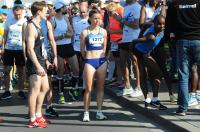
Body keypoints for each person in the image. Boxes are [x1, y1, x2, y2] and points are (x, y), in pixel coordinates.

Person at [169, 0, 200, 116]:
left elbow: (169, 25)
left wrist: (169, 40)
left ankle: (182, 108)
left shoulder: (174, 3)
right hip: (198, 39)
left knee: (183, 75)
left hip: (182, 41)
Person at [132, 15, 167, 110]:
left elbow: (144, 24)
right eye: (159, 24)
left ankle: (151, 100)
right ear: (155, 24)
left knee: (155, 74)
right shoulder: (151, 36)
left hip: (145, 53)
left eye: (163, 23)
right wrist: (136, 40)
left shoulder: (158, 28)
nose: (162, 26)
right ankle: (150, 100)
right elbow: (136, 41)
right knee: (148, 75)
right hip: (139, 53)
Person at [81, 8, 107, 122]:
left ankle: (99, 112)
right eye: (95, 18)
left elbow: (105, 47)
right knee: (89, 88)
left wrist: (103, 57)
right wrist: (87, 58)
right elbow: (82, 50)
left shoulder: (103, 31)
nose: (97, 20)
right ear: (90, 19)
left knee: (101, 88)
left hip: (101, 61)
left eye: (99, 18)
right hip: (90, 61)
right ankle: (86, 113)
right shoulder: (85, 32)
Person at [26, 1, 49, 128]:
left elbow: (40, 46)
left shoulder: (39, 25)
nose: (47, 12)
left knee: (45, 88)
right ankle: (32, 118)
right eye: (45, 10)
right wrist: (38, 66)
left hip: (41, 60)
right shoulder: (31, 26)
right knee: (34, 90)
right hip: (34, 62)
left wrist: (45, 60)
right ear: (39, 12)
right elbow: (29, 49)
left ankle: (39, 114)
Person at [50, 2, 79, 103]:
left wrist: (67, 35)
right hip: (58, 48)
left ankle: (72, 89)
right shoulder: (52, 21)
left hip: (68, 46)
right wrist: (63, 36)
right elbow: (51, 38)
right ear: (60, 8)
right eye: (64, 7)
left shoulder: (65, 18)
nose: (66, 8)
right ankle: (61, 94)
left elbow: (71, 32)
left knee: (76, 69)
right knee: (60, 72)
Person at [0, 0, 26, 100]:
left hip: (20, 49)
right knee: (7, 70)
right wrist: (3, 48)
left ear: (22, 10)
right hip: (9, 49)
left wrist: (26, 50)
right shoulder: (8, 21)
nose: (17, 11)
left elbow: (27, 37)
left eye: (19, 9)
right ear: (13, 10)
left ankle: (21, 91)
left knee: (20, 71)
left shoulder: (25, 21)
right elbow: (5, 36)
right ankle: (7, 91)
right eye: (15, 9)